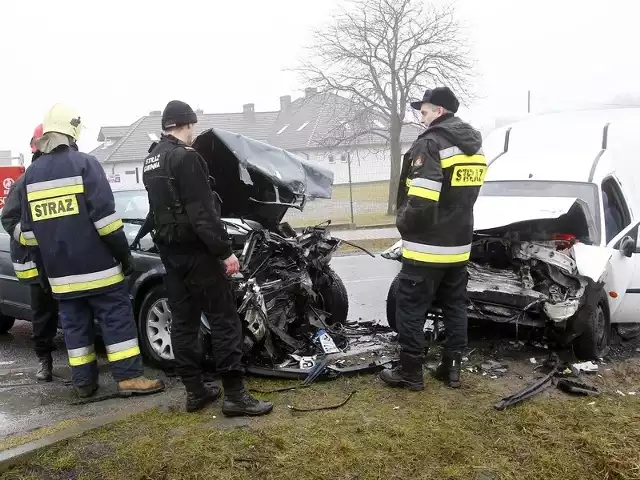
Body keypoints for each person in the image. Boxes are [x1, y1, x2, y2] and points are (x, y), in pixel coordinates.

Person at [17, 103, 165, 398]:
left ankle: (84, 383)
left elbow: (29, 235)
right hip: (99, 269)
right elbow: (106, 221)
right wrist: (123, 255)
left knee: (74, 329)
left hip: (61, 276)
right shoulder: (85, 164)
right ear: (71, 133)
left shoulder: (30, 176)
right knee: (116, 320)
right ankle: (129, 378)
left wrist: (44, 274)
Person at [141, 100, 272, 416]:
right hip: (199, 254)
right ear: (185, 124)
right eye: (192, 127)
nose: (193, 133)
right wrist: (225, 252)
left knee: (183, 324)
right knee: (225, 319)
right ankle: (235, 396)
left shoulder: (151, 160)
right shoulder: (186, 158)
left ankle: (195, 391)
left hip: (171, 255)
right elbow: (203, 214)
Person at [380, 87, 485, 390]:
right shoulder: (475, 148)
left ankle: (410, 372)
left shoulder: (430, 143)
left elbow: (423, 198)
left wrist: (404, 224)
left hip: (427, 245)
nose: (421, 117)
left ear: (439, 111)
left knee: (411, 307)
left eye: (424, 111)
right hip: (460, 243)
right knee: (455, 307)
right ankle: (451, 370)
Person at [1, 124, 59, 382]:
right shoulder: (26, 180)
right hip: (36, 260)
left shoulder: (62, 173)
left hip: (60, 258)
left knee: (65, 310)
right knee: (43, 312)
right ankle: (44, 361)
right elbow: (9, 217)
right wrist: (29, 239)